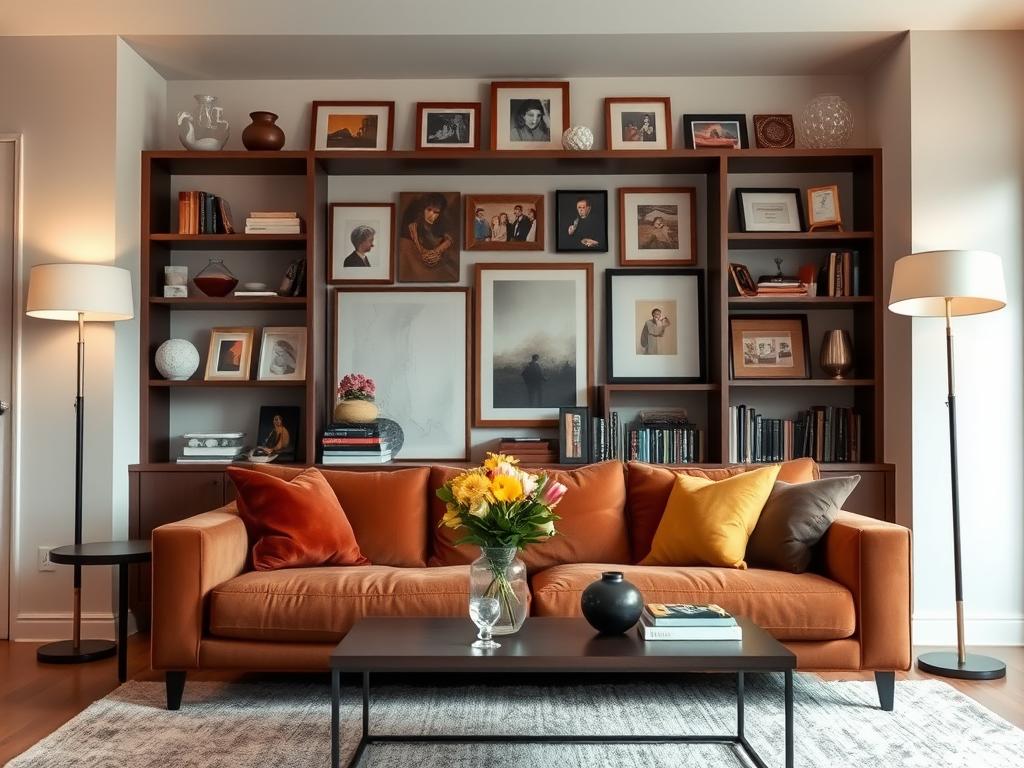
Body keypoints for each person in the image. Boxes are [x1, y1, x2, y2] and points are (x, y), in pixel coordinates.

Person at [398, 192, 457, 282]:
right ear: (423, 209)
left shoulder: (441, 230)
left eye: (436, 212)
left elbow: (448, 241)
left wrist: (438, 250)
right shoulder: (413, 228)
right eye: (429, 210)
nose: (431, 215)